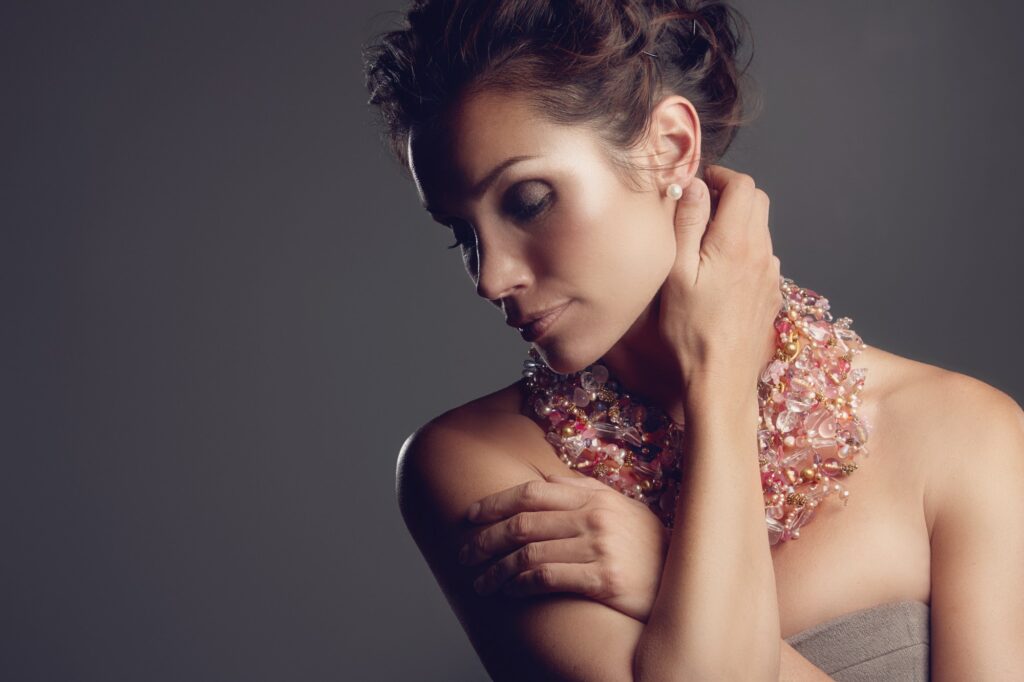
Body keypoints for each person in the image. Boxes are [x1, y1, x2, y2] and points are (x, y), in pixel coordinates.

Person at [363, 1, 1024, 679]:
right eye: (462, 235)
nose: (491, 276)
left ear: (671, 148)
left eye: (527, 200)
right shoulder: (476, 466)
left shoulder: (964, 433)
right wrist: (721, 385)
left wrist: (664, 570)